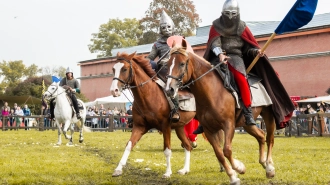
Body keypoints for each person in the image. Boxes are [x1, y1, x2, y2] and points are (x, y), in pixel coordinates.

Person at [194, 0, 294, 134]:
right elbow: (214, 43)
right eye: (227, 13)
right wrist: (220, 55)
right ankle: (203, 118)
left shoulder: (242, 27)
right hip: (218, 58)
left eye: (233, 13)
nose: (230, 16)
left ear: (238, 13)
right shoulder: (216, 26)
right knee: (202, 81)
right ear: (222, 13)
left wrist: (255, 52)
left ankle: (247, 112)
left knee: (241, 80)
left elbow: (248, 47)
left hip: (236, 58)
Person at [146, 10, 180, 122]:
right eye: (164, 27)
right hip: (162, 70)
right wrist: (145, 61)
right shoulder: (157, 44)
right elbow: (151, 57)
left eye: (168, 26)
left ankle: (175, 111)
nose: (166, 29)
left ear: (173, 27)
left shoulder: (178, 40)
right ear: (160, 29)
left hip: (175, 70)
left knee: (171, 87)